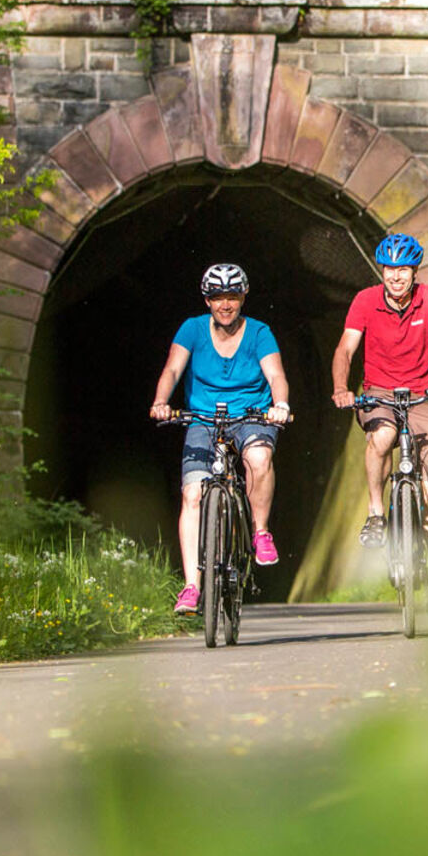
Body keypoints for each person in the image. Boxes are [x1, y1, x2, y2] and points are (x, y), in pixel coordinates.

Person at [330, 233, 428, 599]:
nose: (396, 277)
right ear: (382, 270)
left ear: (414, 272)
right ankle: (377, 511)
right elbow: (346, 348)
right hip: (380, 393)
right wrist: (341, 388)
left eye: (403, 269)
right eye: (390, 269)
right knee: (381, 438)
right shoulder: (365, 301)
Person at [149, 262, 291, 614]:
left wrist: (281, 404)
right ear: (206, 300)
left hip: (251, 415)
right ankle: (191, 587)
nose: (224, 304)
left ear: (243, 297)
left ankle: (260, 531)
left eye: (231, 296)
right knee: (193, 493)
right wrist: (161, 402)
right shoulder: (192, 329)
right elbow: (172, 368)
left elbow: (275, 374)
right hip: (203, 419)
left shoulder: (259, 332)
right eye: (217, 297)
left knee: (258, 459)